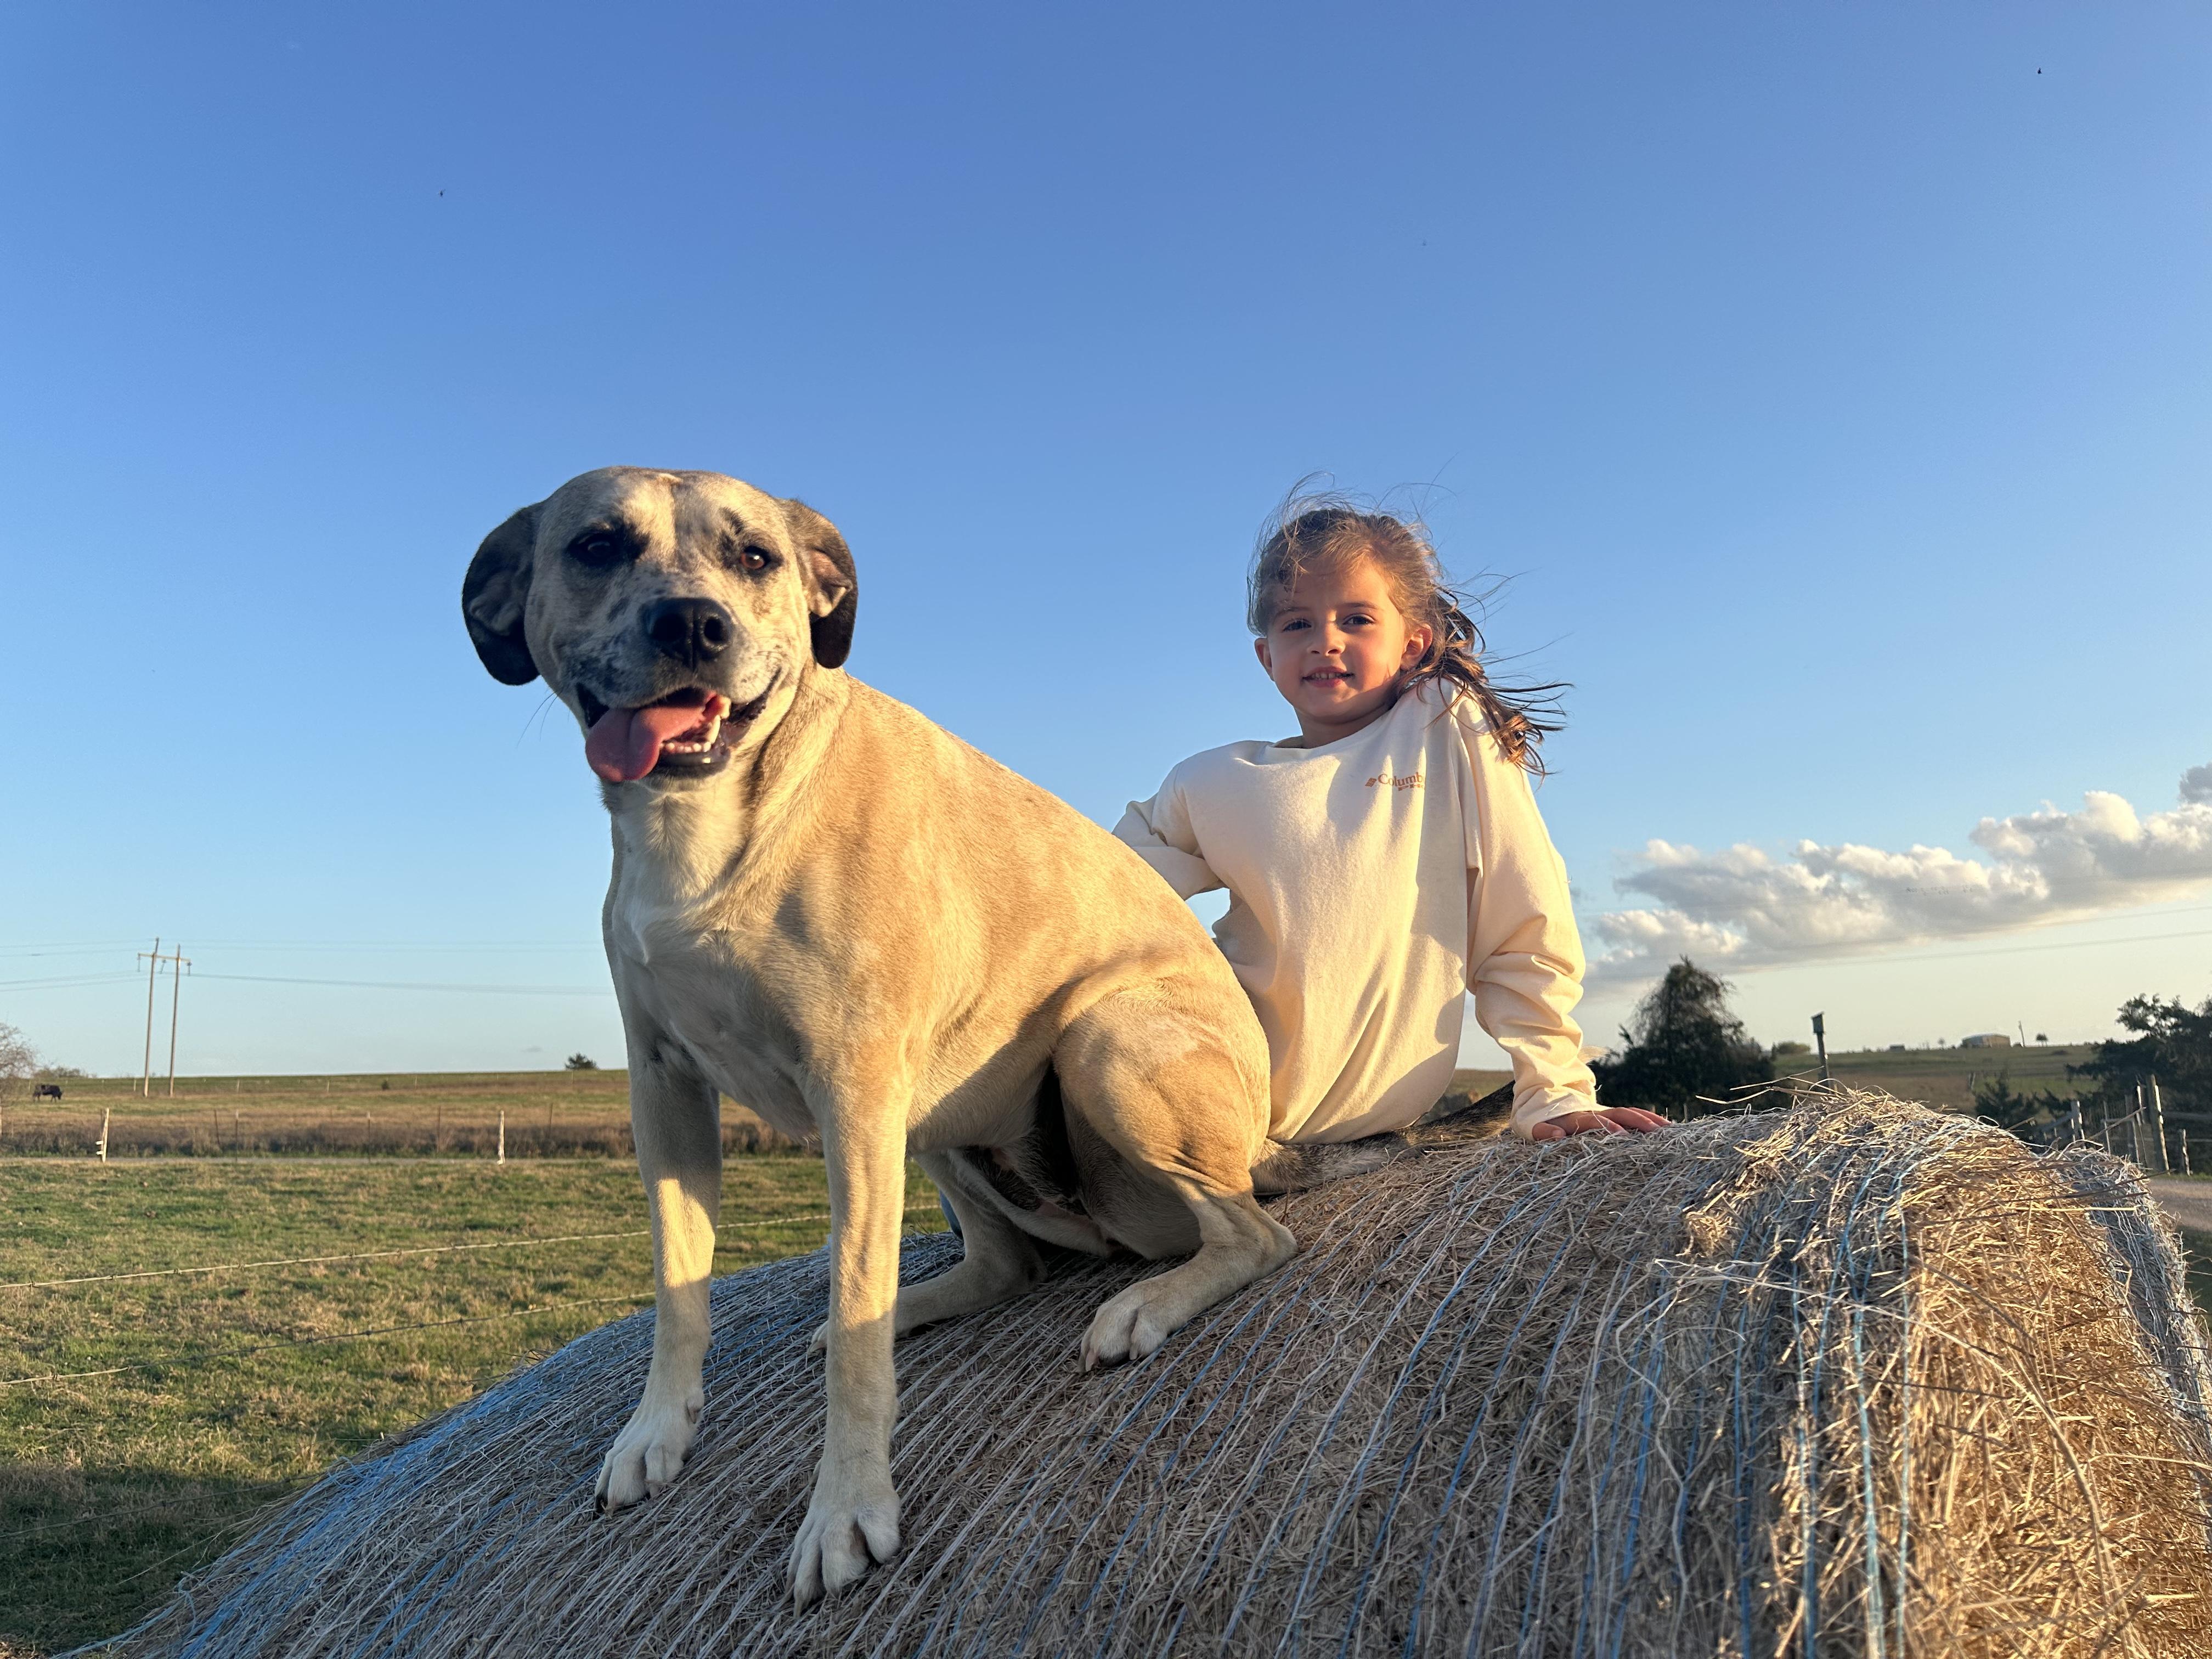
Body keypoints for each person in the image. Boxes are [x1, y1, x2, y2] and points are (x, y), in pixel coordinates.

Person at [1114, 498, 1667, 1146]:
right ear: (1266, 657)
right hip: (1205, 1101)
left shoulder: (1441, 723)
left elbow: (1524, 911)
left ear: (1413, 643)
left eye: (1356, 618)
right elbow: (1098, 892)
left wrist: (1555, 1088)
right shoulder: (1211, 780)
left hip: (1364, 1124)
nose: (1325, 639)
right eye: (1297, 623)